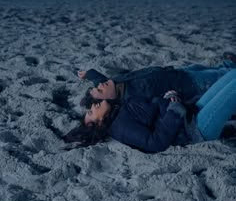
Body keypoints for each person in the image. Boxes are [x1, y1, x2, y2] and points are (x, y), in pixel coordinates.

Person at [63, 69, 236, 153]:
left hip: (191, 112)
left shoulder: (118, 107)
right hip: (195, 129)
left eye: (92, 107)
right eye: (92, 112)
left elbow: (107, 86)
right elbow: (155, 143)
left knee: (232, 75)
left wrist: (170, 98)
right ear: (99, 123)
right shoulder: (120, 128)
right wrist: (173, 111)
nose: (94, 106)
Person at [78, 52, 236, 108]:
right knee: (219, 76)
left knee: (204, 68)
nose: (100, 84)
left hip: (178, 72)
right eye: (99, 90)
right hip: (190, 84)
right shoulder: (132, 98)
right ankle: (230, 69)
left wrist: (89, 74)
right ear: (110, 101)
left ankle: (229, 63)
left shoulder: (115, 84)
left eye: (96, 86)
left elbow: (99, 80)